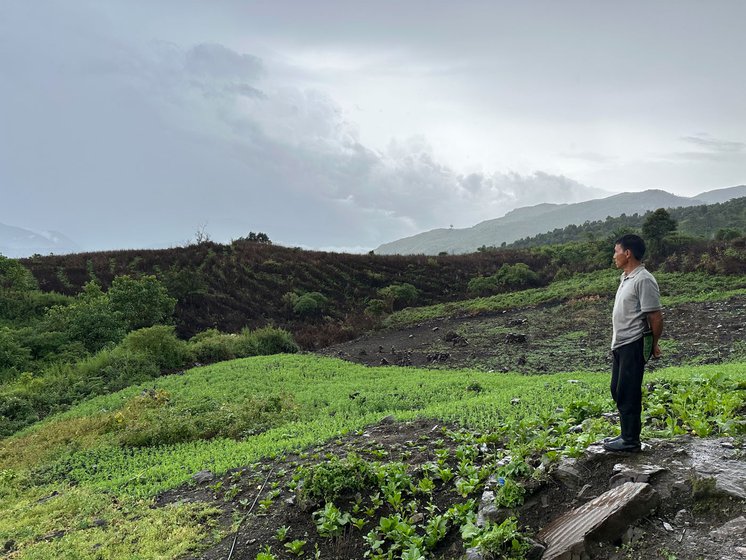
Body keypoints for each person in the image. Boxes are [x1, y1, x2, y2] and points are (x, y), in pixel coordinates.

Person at [603, 234, 663, 453]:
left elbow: (655, 316)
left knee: (628, 392)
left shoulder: (644, 279)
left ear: (627, 253)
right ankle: (626, 434)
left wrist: (653, 344)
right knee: (617, 390)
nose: (614, 256)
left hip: (634, 343)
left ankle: (630, 441)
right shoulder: (626, 277)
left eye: (616, 251)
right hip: (620, 343)